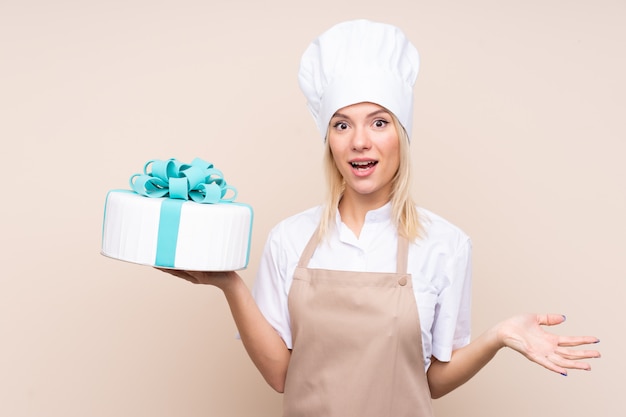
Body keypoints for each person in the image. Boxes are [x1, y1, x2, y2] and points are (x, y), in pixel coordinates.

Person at [161, 19, 600, 417]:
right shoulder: (289, 239)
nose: (359, 142)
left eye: (378, 122)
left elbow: (432, 381)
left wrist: (498, 337)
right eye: (342, 125)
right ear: (329, 141)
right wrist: (229, 285)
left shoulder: (445, 244)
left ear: (401, 135)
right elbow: (281, 376)